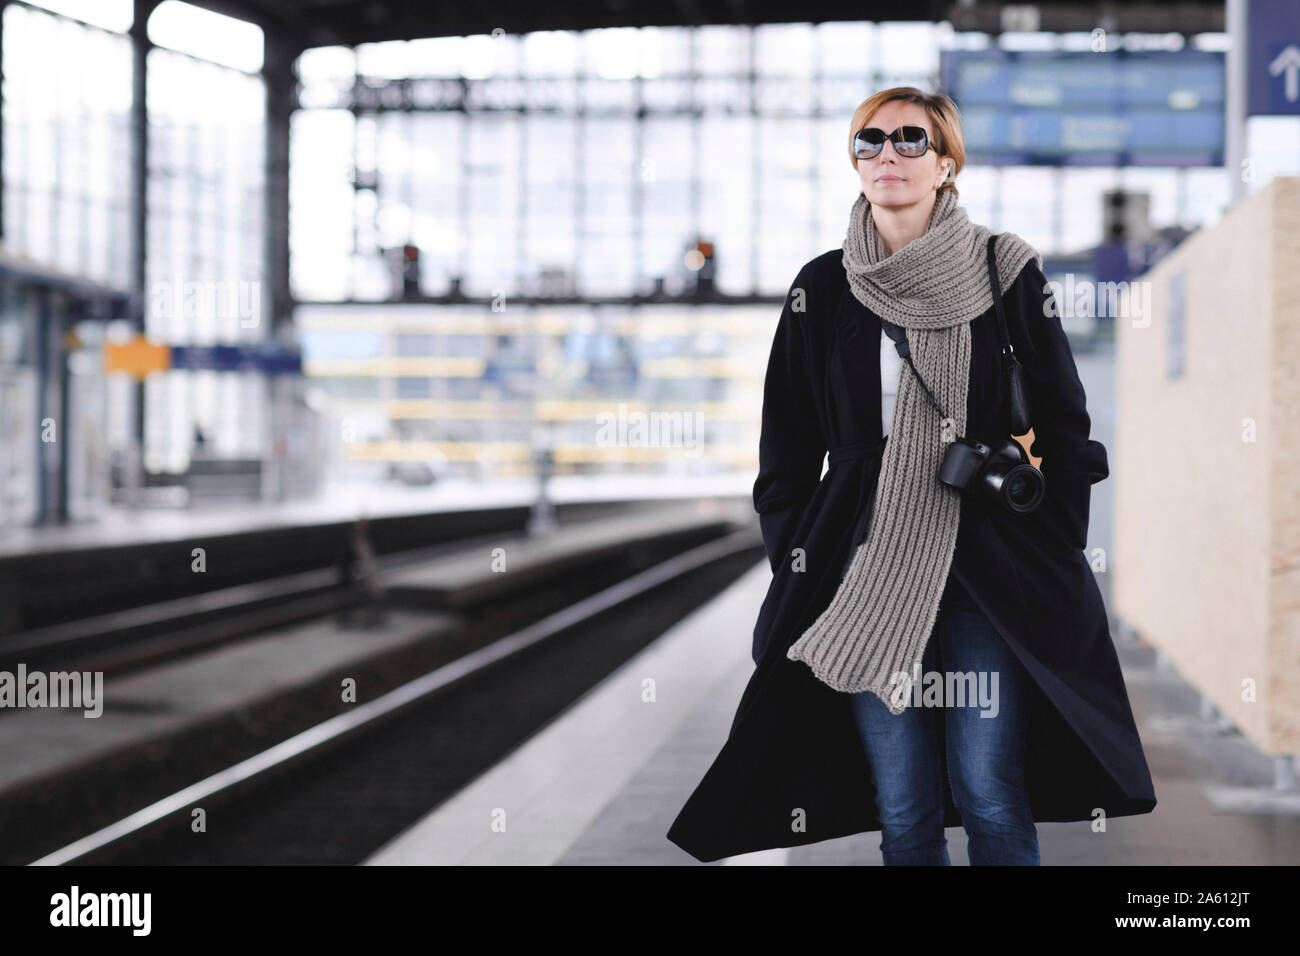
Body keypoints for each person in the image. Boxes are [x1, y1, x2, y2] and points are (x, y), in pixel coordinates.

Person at [667, 86, 1157, 865]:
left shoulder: (1005, 272)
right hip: (864, 575)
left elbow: (1068, 425)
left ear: (945, 163)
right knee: (903, 807)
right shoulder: (822, 288)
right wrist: (802, 553)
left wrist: (1057, 538)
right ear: (855, 161)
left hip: (991, 575)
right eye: (869, 141)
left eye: (908, 139)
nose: (887, 154)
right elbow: (786, 448)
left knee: (992, 792)